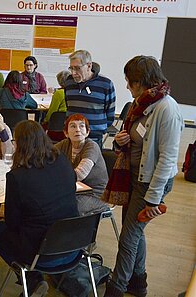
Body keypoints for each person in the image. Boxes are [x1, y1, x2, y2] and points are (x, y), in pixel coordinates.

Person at [103, 56, 183, 297]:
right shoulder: (140, 104)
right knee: (134, 233)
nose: (127, 86)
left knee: (128, 238)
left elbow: (167, 159)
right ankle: (138, 283)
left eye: (129, 81)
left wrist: (153, 199)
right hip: (134, 177)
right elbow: (131, 143)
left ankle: (116, 288)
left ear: (141, 81)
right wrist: (119, 141)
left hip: (150, 183)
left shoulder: (166, 108)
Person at [0, 120, 79, 297]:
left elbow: (12, 223)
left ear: (20, 145)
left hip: (41, 252)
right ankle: (50, 279)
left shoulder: (17, 177)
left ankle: (31, 278)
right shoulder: (62, 160)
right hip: (74, 244)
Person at [55, 114, 109, 215]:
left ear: (87, 132)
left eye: (82, 126)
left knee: (68, 208)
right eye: (73, 126)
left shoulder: (91, 146)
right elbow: (45, 155)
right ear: (66, 133)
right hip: (75, 191)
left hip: (96, 194)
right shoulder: (64, 144)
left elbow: (80, 174)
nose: (78, 130)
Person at [65, 50, 116, 148]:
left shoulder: (106, 84)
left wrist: (97, 129)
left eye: (77, 68)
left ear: (89, 66)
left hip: (94, 138)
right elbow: (68, 105)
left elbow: (110, 114)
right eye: (71, 68)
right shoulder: (69, 81)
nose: (73, 73)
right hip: (71, 138)